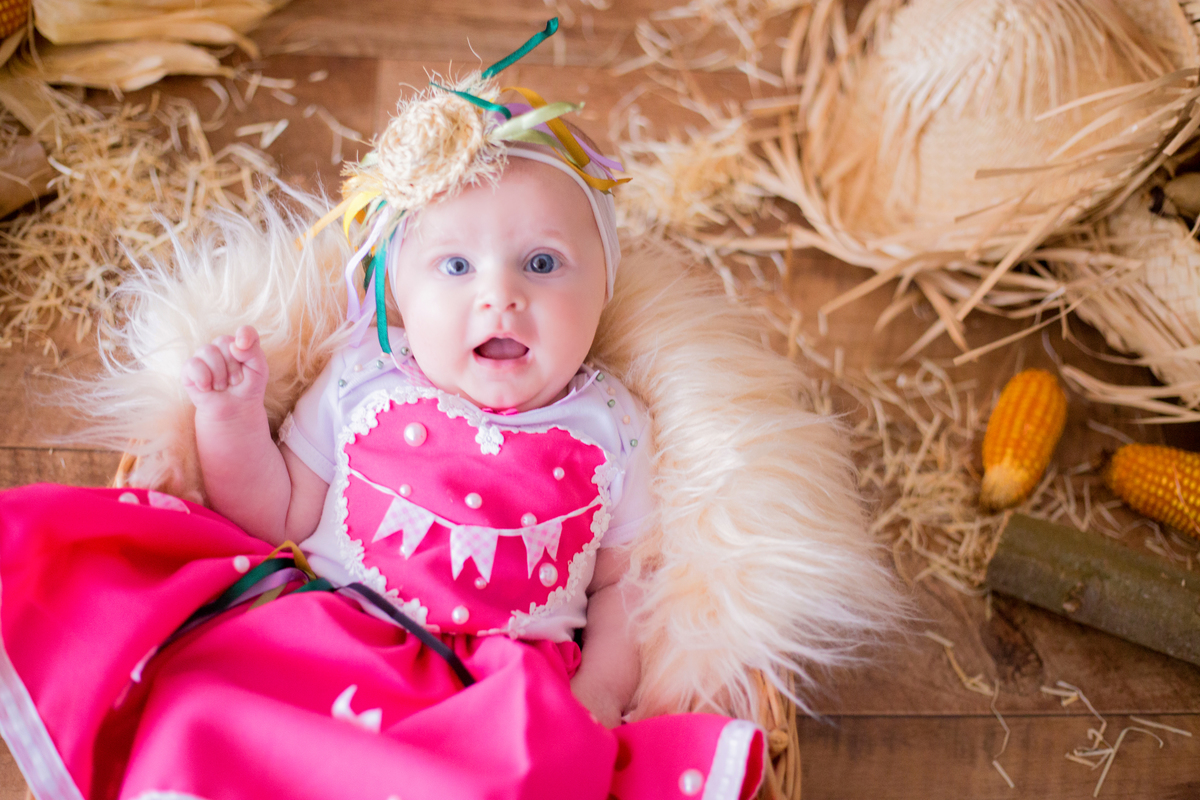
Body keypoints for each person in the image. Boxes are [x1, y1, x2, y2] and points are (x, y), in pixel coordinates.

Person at [0, 22, 768, 800]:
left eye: (543, 263)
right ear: (396, 292)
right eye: (456, 265)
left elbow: (623, 589)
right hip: (330, 635)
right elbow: (280, 516)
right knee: (208, 710)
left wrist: (598, 698)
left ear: (602, 292)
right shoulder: (363, 377)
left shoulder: (617, 422)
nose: (499, 294)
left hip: (493, 694)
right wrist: (228, 419)